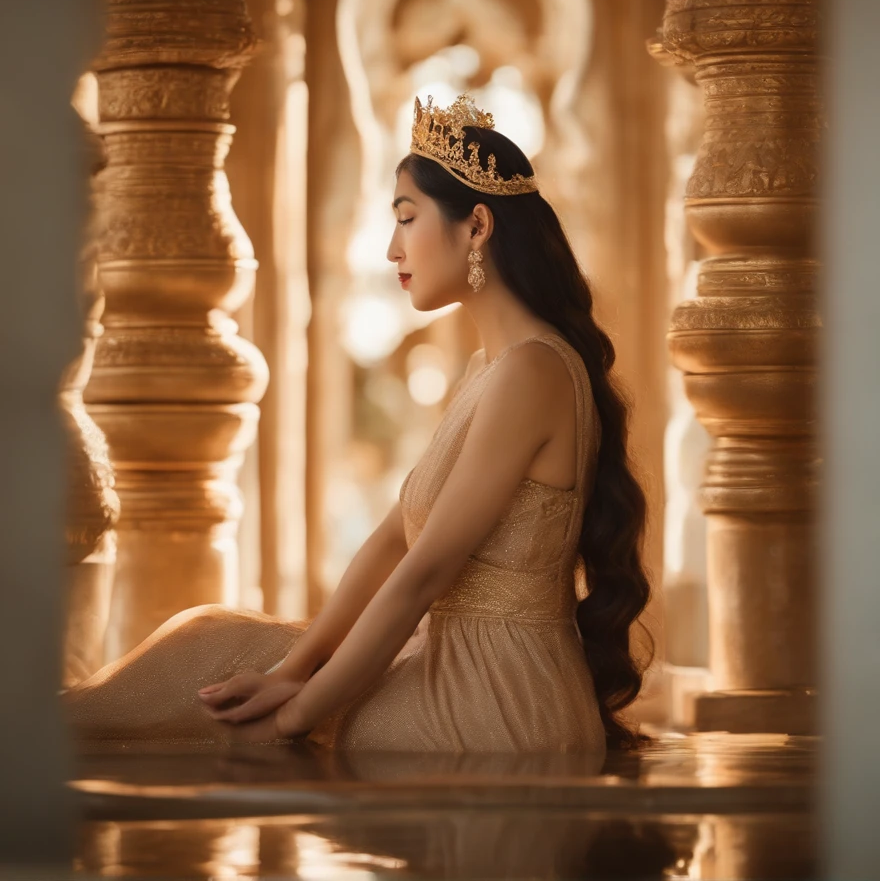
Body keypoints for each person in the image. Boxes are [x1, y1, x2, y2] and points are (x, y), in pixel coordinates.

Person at [64, 93, 652, 753]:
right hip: (452, 665)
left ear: (477, 227)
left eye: (407, 218)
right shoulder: (492, 370)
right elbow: (392, 542)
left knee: (206, 703)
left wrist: (294, 714)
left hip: (493, 700)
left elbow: (424, 574)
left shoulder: (532, 373)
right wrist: (292, 671)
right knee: (210, 646)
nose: (392, 248)